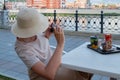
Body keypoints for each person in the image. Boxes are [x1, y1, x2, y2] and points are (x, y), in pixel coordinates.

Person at [11, 7, 93, 80]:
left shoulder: (34, 33)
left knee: (87, 67)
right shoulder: (23, 49)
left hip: (56, 64)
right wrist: (60, 44)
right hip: (44, 75)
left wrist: (46, 36)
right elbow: (48, 74)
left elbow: (39, 44)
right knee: (82, 72)